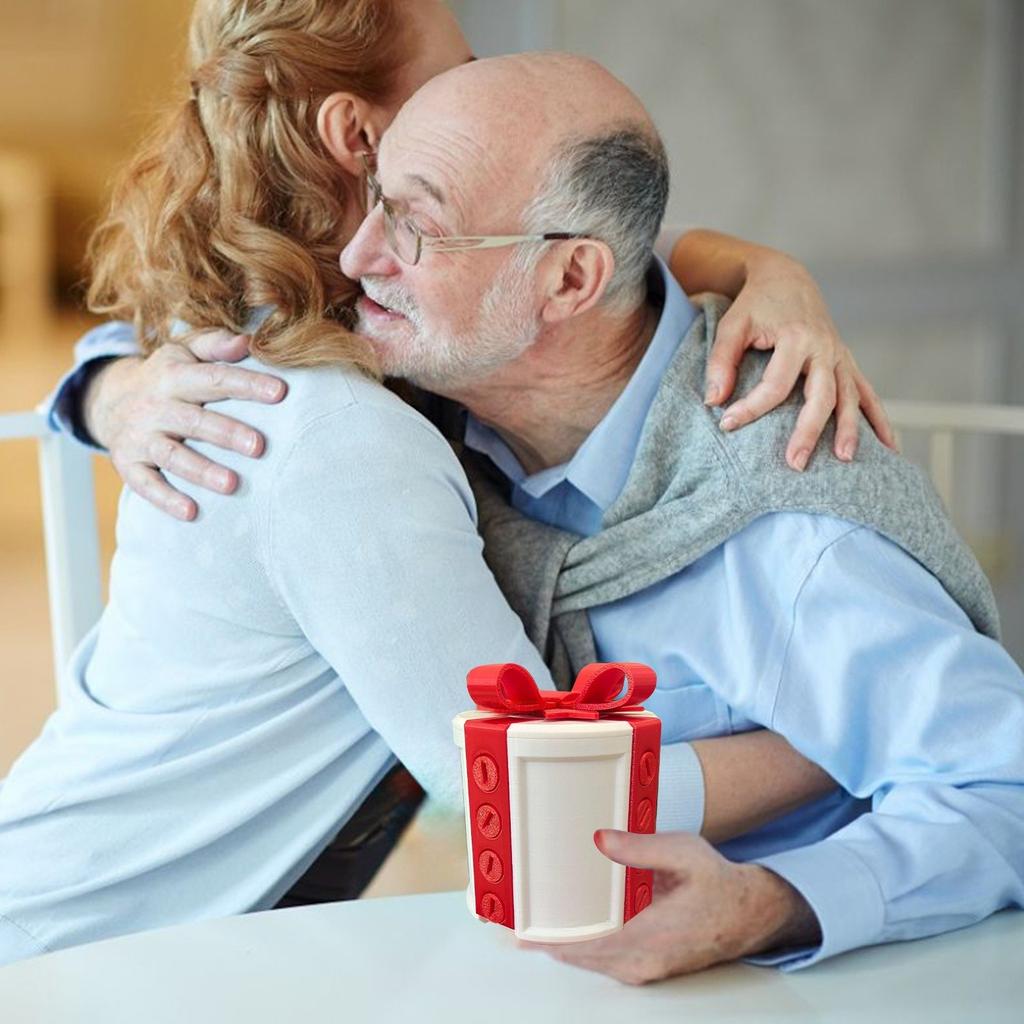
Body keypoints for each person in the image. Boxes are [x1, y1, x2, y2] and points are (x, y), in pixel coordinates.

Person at [1, 0, 850, 964]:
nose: (481, 80)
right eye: (459, 66)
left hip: (166, 939)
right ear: (359, 134)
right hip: (72, 962)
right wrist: (840, 738)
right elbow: (525, 799)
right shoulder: (332, 432)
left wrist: (768, 273)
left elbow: (608, 257)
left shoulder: (313, 328)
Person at [331, 52, 1024, 982]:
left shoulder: (794, 535)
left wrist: (775, 904)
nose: (356, 253)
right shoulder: (432, 407)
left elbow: (1006, 785)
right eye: (376, 198)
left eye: (415, 225)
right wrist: (117, 393)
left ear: (571, 282)